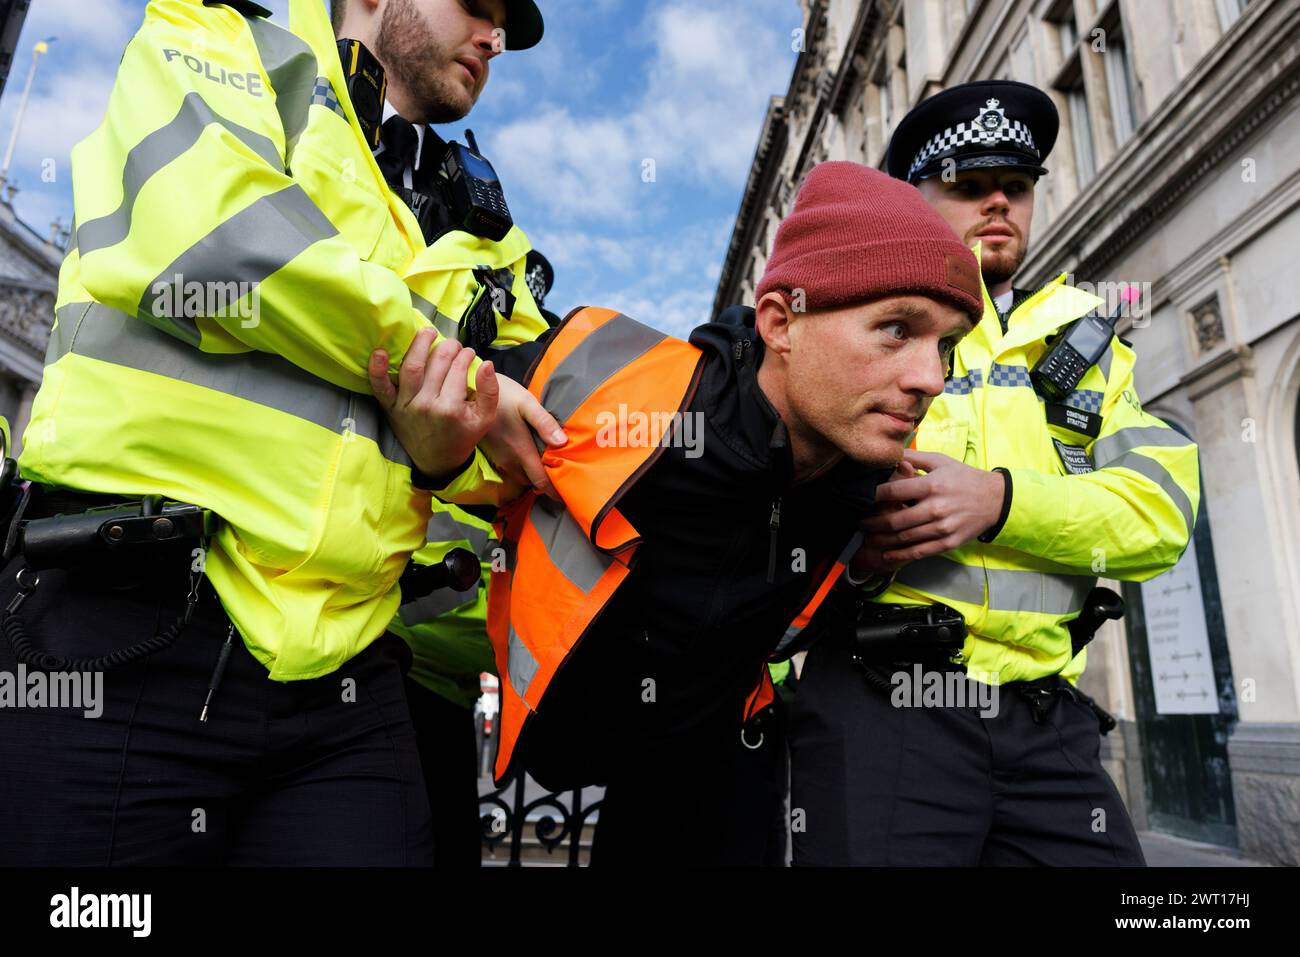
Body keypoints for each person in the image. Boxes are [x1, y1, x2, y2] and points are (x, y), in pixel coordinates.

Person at [0, 0, 559, 866]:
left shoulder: (492, 228)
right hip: (131, 609)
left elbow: (529, 430)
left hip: (349, 664)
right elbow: (216, 240)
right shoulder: (213, 36)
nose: (495, 36)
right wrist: (432, 356)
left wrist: (448, 456)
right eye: (476, 5)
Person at [429, 162, 987, 865]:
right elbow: (439, 434)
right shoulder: (621, 388)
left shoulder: (869, 483)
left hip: (716, 763)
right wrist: (448, 445)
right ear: (781, 322)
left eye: (947, 346)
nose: (930, 378)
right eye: (896, 328)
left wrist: (865, 578)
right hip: (521, 731)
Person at [787, 80, 1202, 866]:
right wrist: (849, 558)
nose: (998, 204)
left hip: (1047, 720)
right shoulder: (860, 319)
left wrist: (1000, 501)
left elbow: (1161, 515)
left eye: (1015, 186)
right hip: (886, 702)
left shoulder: (1087, 345)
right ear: (916, 199)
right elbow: (780, 491)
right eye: (968, 186)